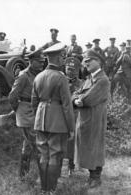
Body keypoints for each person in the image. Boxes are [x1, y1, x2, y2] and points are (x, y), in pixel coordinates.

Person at [31, 43, 75, 195]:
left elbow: (34, 103)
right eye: (62, 56)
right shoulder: (61, 78)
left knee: (43, 154)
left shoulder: (38, 76)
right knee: (55, 154)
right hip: (57, 121)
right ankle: (51, 189)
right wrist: (71, 127)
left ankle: (44, 188)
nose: (64, 59)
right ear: (56, 57)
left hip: (40, 120)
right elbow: (67, 106)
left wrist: (39, 118)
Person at [72, 49, 110, 189]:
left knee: (95, 146)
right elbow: (75, 94)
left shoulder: (102, 80)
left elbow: (89, 99)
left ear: (98, 61)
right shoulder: (89, 79)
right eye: (85, 61)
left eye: (89, 60)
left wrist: (79, 100)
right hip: (85, 118)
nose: (85, 63)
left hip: (95, 119)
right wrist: (76, 100)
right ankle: (92, 176)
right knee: (88, 147)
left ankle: (96, 178)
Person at [8, 50, 44, 180]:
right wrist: (19, 110)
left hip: (36, 112)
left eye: (42, 61)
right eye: (39, 62)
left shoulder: (39, 74)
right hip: (26, 114)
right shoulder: (23, 76)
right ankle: (44, 179)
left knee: (27, 146)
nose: (42, 64)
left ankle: (23, 176)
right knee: (38, 145)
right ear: (31, 61)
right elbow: (12, 97)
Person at [65, 57, 83, 176]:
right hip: (61, 114)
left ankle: (71, 166)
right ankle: (61, 166)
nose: (70, 71)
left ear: (77, 70)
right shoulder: (60, 80)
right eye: (68, 69)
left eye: (73, 69)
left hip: (75, 114)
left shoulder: (81, 83)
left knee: (72, 141)